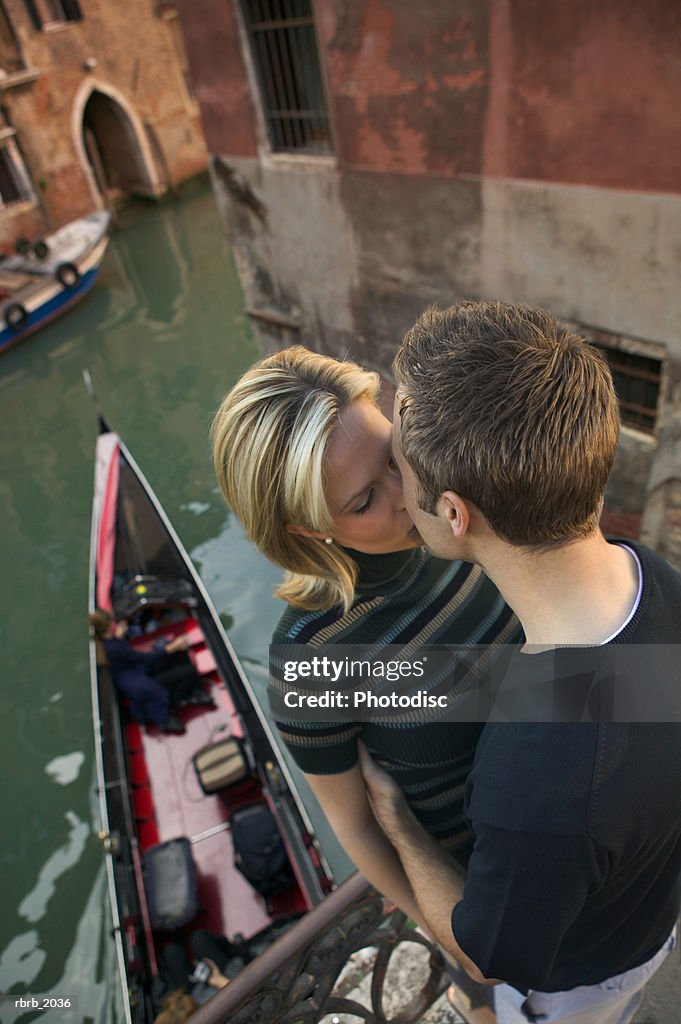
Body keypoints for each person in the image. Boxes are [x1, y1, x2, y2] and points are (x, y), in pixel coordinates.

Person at [357, 300, 681, 1024]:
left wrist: (396, 824)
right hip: (649, 917)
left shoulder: (539, 773)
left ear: (453, 512)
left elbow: (486, 955)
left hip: (580, 986)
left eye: (397, 468)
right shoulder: (653, 577)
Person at [211, 345, 521, 932]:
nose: (410, 492)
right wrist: (453, 940)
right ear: (310, 528)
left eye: (393, 456)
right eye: (365, 501)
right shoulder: (313, 657)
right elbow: (356, 826)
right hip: (493, 910)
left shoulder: (474, 512)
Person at [89, 609, 212, 734]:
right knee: (189, 670)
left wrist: (118, 636)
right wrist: (171, 647)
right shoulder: (115, 648)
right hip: (143, 683)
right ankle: (181, 698)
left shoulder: (107, 643)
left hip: (139, 672)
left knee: (177, 652)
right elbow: (144, 658)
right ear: (110, 624)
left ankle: (194, 689)